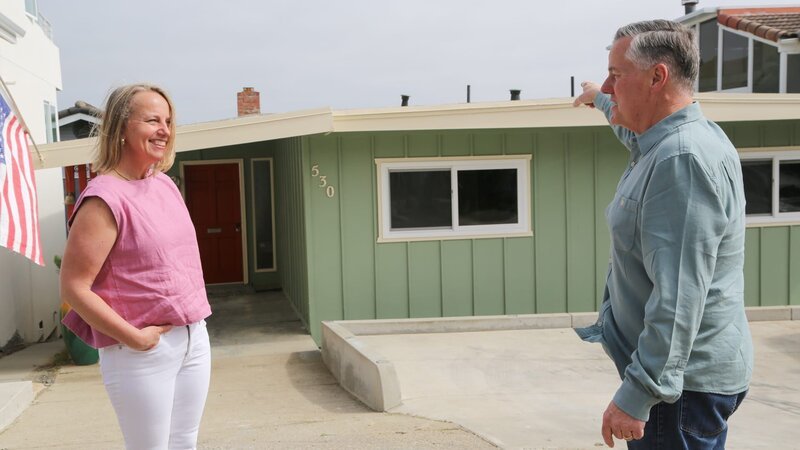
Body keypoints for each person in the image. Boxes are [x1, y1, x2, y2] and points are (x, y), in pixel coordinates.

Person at [572, 20, 753, 449]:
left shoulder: (681, 160)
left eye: (617, 75)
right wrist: (598, 97)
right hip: (683, 383)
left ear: (657, 77)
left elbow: (679, 296)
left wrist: (638, 395)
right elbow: (628, 125)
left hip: (677, 391)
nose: (611, 87)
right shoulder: (673, 139)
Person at [60, 84, 212, 450]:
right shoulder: (104, 198)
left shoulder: (165, 185)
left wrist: (195, 333)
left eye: (168, 121)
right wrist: (135, 338)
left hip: (193, 338)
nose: (164, 130)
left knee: (184, 444)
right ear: (122, 128)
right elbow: (74, 287)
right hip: (140, 351)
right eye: (152, 120)